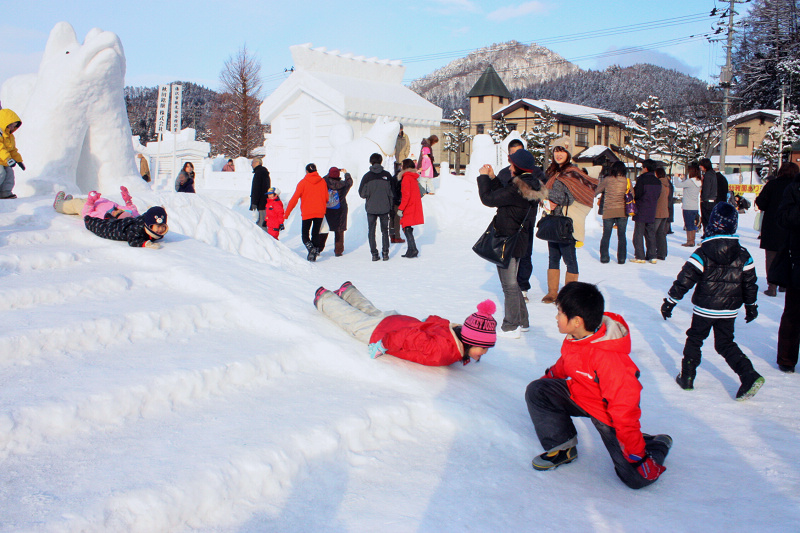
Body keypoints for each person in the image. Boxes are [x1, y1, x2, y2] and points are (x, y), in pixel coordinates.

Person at [525, 282, 671, 489]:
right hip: (581, 395)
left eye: (559, 313)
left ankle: (654, 445)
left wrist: (635, 454)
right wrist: (549, 377)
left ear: (576, 321)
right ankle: (562, 448)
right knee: (538, 391)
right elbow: (567, 362)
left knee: (635, 478)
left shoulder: (609, 359)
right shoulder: (576, 336)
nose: (556, 317)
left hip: (608, 413)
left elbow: (624, 410)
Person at [661, 202, 763, 401]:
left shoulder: (703, 252)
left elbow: (685, 280)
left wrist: (671, 301)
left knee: (695, 339)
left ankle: (687, 377)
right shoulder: (743, 254)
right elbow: (750, 284)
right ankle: (748, 374)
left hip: (705, 309)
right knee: (725, 343)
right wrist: (751, 307)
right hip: (729, 310)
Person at [314, 281, 497, 366]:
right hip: (383, 333)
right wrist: (383, 345)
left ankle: (348, 292)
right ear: (469, 341)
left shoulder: (451, 330)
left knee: (372, 312)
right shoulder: (442, 351)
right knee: (354, 321)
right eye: (482, 348)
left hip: (400, 321)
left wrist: (423, 325)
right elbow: (408, 337)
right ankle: (325, 299)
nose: (484, 353)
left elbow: (434, 319)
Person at [478, 149, 547, 337]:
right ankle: (523, 321)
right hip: (519, 240)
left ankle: (511, 326)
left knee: (508, 285)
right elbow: (504, 194)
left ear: (517, 168)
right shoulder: (530, 184)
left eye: (512, 165)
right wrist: (493, 178)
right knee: (513, 283)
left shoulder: (517, 188)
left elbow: (489, 199)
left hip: (507, 241)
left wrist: (483, 177)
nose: (510, 167)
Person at [541, 146, 597, 303]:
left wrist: (544, 192)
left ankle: (569, 295)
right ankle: (552, 292)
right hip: (552, 220)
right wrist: (545, 201)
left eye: (562, 151)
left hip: (566, 222)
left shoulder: (572, 172)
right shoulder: (552, 172)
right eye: (556, 151)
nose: (558, 155)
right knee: (553, 258)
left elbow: (569, 198)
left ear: (568, 153)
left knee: (569, 258)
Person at [498, 139, 537, 300]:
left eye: (520, 153)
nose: (516, 158)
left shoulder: (534, 173)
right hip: (509, 221)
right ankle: (511, 286)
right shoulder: (504, 173)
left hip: (527, 220)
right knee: (508, 254)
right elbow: (497, 195)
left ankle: (522, 286)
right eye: (512, 155)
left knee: (525, 253)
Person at [756, 162, 799, 297]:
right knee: (791, 256)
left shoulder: (772, 185)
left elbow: (761, 202)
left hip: (772, 225)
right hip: (792, 228)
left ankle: (772, 286)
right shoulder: (796, 187)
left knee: (771, 256)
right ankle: (784, 285)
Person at [772, 171, 800, 373]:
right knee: (793, 312)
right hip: (798, 259)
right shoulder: (794, 188)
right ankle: (786, 358)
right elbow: (782, 218)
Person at [285, 163, 329, 262]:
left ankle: (310, 248)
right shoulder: (322, 182)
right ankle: (314, 252)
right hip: (319, 211)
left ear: (307, 171)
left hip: (307, 212)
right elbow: (326, 197)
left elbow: (294, 199)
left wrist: (287, 213)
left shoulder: (303, 183)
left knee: (305, 234)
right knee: (315, 233)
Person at [359, 153, 394, 261]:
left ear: (371, 162)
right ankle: (385, 253)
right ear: (381, 161)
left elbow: (362, 194)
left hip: (371, 208)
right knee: (385, 231)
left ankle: (374, 254)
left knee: (371, 231)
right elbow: (392, 193)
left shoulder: (367, 177)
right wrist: (391, 206)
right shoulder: (387, 175)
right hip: (384, 208)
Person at [84, 205, 169, 249]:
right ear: (150, 224)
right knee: (103, 228)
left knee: (113, 221)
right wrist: (146, 244)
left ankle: (109, 218)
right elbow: (132, 240)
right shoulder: (137, 229)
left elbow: (146, 215)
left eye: (162, 228)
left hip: (127, 221)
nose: (159, 231)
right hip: (119, 230)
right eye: (158, 227)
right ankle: (89, 220)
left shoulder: (148, 223)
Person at [594, 161, 629, 264]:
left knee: (606, 235)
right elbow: (632, 194)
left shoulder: (607, 180)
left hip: (608, 210)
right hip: (622, 211)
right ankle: (621, 258)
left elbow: (596, 191)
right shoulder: (627, 181)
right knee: (622, 235)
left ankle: (604, 257)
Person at [630, 160, 662, 264]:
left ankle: (640, 256)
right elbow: (658, 195)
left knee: (638, 234)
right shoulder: (657, 181)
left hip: (641, 208)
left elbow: (637, 194)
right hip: (652, 208)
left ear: (646, 168)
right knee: (650, 234)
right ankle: (652, 255)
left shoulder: (642, 179)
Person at [53, 187, 140, 219]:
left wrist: (90, 202)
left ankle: (59, 205)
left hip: (90, 207)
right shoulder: (125, 212)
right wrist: (128, 201)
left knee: (76, 203)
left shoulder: (102, 216)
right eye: (120, 211)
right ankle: (68, 202)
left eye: (116, 214)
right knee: (80, 199)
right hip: (97, 201)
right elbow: (133, 211)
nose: (116, 211)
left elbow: (87, 214)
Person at [323, 167, 353, 256]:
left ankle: (319, 248)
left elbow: (323, 178)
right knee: (339, 229)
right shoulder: (343, 185)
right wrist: (346, 173)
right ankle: (338, 251)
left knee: (324, 228)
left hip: (328, 209)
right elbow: (350, 182)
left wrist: (331, 173)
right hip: (340, 209)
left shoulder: (325, 183)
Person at [397, 158, 423, 258]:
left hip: (408, 206)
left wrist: (401, 208)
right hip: (413, 205)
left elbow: (406, 195)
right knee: (407, 228)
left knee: (406, 228)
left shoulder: (406, 178)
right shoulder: (413, 177)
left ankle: (413, 249)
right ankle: (411, 249)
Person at [674, 162, 702, 247]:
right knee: (692, 225)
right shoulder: (698, 181)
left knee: (688, 224)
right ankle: (692, 240)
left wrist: (676, 177)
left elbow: (678, 185)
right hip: (694, 206)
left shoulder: (690, 181)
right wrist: (683, 179)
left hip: (687, 206)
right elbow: (686, 185)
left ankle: (689, 241)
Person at [0, 108, 24, 199]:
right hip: (3, 159)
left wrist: (19, 160)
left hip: (4, 160)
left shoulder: (10, 136)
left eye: (14, 126)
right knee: (1, 172)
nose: (12, 128)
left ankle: (4, 192)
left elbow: (12, 150)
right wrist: (8, 159)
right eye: (10, 125)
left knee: (9, 173)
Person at [654, 167, 672, 261]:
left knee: (653, 232)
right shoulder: (667, 184)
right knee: (661, 233)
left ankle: (653, 251)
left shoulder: (659, 184)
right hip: (665, 211)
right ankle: (662, 252)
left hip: (658, 211)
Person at [249, 158, 271, 231]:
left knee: (262, 222)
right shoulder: (264, 172)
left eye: (252, 162)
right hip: (264, 201)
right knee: (262, 221)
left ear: (257, 163)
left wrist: (254, 202)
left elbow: (256, 189)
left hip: (261, 203)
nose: (251, 164)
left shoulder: (259, 173)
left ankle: (263, 238)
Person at [699, 158, 717, 230]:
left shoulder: (707, 175)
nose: (700, 167)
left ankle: (707, 235)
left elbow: (706, 188)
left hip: (707, 201)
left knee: (706, 220)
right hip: (713, 200)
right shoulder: (713, 174)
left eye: (701, 165)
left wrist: (703, 198)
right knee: (711, 219)